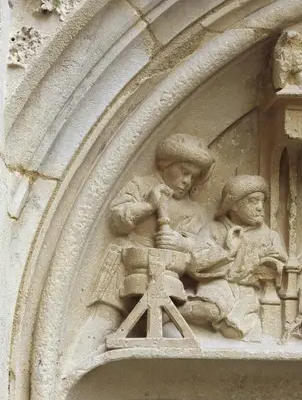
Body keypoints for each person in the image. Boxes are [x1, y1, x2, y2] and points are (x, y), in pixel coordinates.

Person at [90, 133, 222, 318]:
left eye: (193, 177)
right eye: (184, 172)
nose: (187, 181)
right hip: (123, 273)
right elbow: (116, 221)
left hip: (169, 278)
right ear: (167, 164)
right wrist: (149, 205)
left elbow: (208, 254)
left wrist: (181, 243)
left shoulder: (194, 211)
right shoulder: (140, 185)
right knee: (102, 323)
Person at [189, 175, 287, 340]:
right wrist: (228, 253)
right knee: (211, 309)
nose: (259, 208)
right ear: (233, 205)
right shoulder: (214, 229)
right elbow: (194, 262)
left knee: (238, 329)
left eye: (262, 202)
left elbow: (281, 268)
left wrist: (267, 264)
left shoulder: (270, 236)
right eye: (253, 201)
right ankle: (170, 313)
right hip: (216, 286)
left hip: (248, 293)